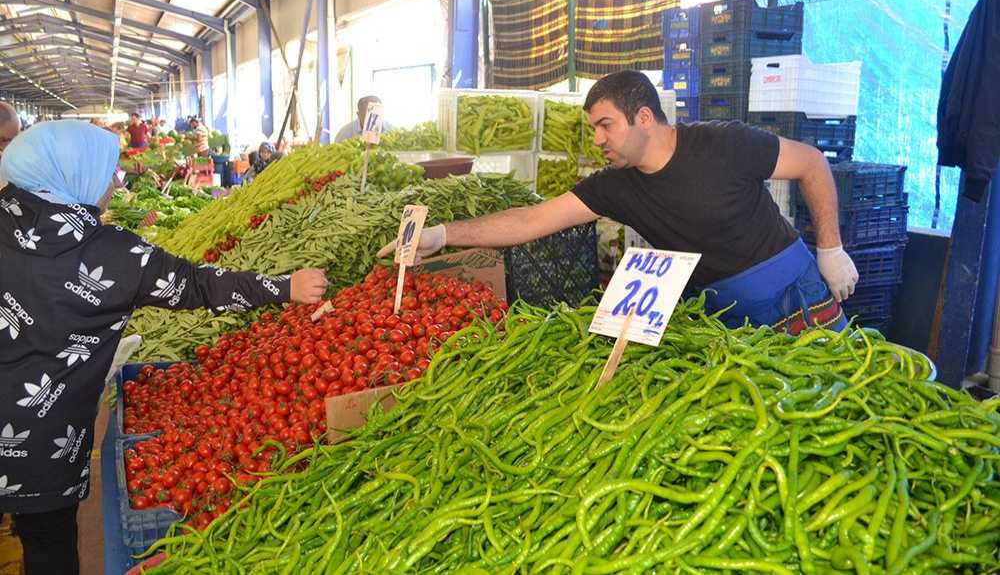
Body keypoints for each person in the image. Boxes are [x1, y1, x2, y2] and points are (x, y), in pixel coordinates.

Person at [0, 121, 329, 575]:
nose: (116, 183)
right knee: (47, 544)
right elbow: (196, 285)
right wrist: (284, 286)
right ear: (74, 178)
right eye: (108, 173)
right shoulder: (112, 255)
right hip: (41, 447)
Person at [379, 71, 859, 334]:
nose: (597, 139)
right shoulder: (616, 186)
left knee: (836, 405)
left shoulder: (723, 143)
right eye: (592, 128)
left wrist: (830, 250)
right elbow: (531, 220)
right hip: (721, 316)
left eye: (605, 125)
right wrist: (441, 235)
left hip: (793, 293)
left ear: (643, 116)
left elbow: (812, 163)